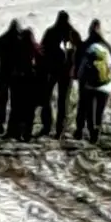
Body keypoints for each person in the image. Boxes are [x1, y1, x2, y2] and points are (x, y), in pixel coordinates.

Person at [39, 11, 81, 140]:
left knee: (46, 99)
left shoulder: (51, 32)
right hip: (65, 72)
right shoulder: (72, 34)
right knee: (63, 101)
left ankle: (47, 126)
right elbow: (79, 51)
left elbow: (42, 50)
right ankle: (59, 129)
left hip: (51, 71)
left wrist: (41, 68)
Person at [74, 21, 111, 142]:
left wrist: (78, 76)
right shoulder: (106, 46)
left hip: (87, 83)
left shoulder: (85, 45)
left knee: (84, 107)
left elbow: (78, 64)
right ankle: (95, 132)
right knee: (99, 110)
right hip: (105, 84)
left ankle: (80, 130)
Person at [0, 20, 25, 136]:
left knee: (2, 100)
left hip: (3, 74)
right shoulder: (20, 40)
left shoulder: (2, 39)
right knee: (15, 101)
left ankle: (0, 125)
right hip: (16, 75)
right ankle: (13, 127)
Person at [6, 26, 43, 141]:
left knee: (16, 107)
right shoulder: (35, 48)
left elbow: (9, 63)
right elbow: (41, 64)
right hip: (31, 81)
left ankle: (14, 132)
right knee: (29, 109)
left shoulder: (16, 47)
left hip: (17, 81)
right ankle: (27, 133)